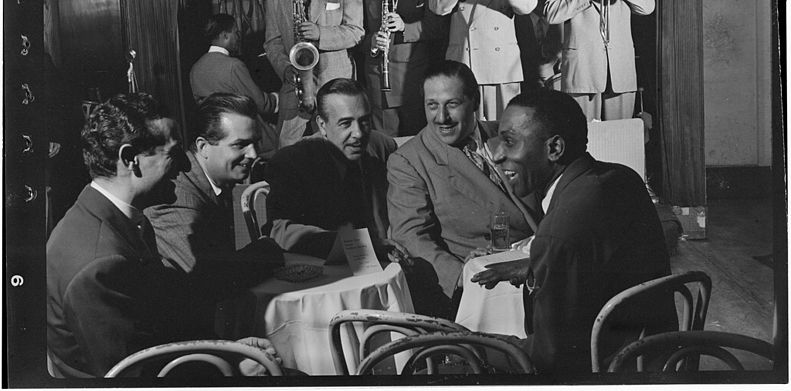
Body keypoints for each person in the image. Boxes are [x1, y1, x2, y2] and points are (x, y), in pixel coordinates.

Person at [46, 93, 279, 377]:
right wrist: (231, 366)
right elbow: (134, 377)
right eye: (174, 153)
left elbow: (158, 326)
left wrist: (228, 349)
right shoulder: (100, 262)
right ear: (130, 159)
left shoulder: (113, 218)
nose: (184, 166)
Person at [472, 88, 675, 374]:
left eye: (509, 141)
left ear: (554, 148)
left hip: (607, 374)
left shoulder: (557, 235)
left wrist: (475, 344)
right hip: (655, 361)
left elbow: (549, 358)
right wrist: (536, 267)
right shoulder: (622, 177)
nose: (495, 154)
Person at [387, 61, 539, 318]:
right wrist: (462, 276)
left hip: (541, 262)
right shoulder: (409, 160)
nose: (441, 118)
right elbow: (410, 236)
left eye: (452, 104)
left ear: (475, 102)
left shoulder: (505, 134)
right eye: (432, 105)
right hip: (486, 284)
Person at [145, 93, 284, 304]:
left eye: (255, 143)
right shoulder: (177, 194)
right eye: (240, 145)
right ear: (203, 147)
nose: (254, 155)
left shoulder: (214, 180)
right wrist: (268, 248)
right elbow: (213, 279)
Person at [264, 78, 401, 259]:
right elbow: (280, 229)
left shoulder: (381, 146)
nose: (358, 133)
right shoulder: (294, 162)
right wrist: (356, 245)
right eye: (345, 123)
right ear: (322, 125)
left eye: (365, 121)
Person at [264, 0, 364, 148]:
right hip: (295, 84)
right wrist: (286, 68)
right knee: (286, 150)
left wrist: (321, 34)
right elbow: (272, 42)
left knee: (341, 147)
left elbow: (356, 32)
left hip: (335, 82)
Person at [358, 0, 448, 136]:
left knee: (417, 140)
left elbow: (437, 28)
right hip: (379, 79)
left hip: (414, 77)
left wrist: (404, 27)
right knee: (384, 143)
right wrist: (372, 42)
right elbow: (355, 35)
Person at [190, 13, 279, 158]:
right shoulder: (234, 66)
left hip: (216, 141)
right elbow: (262, 104)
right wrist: (278, 97)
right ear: (225, 36)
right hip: (251, 142)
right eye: (236, 33)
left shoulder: (195, 68)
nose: (238, 38)